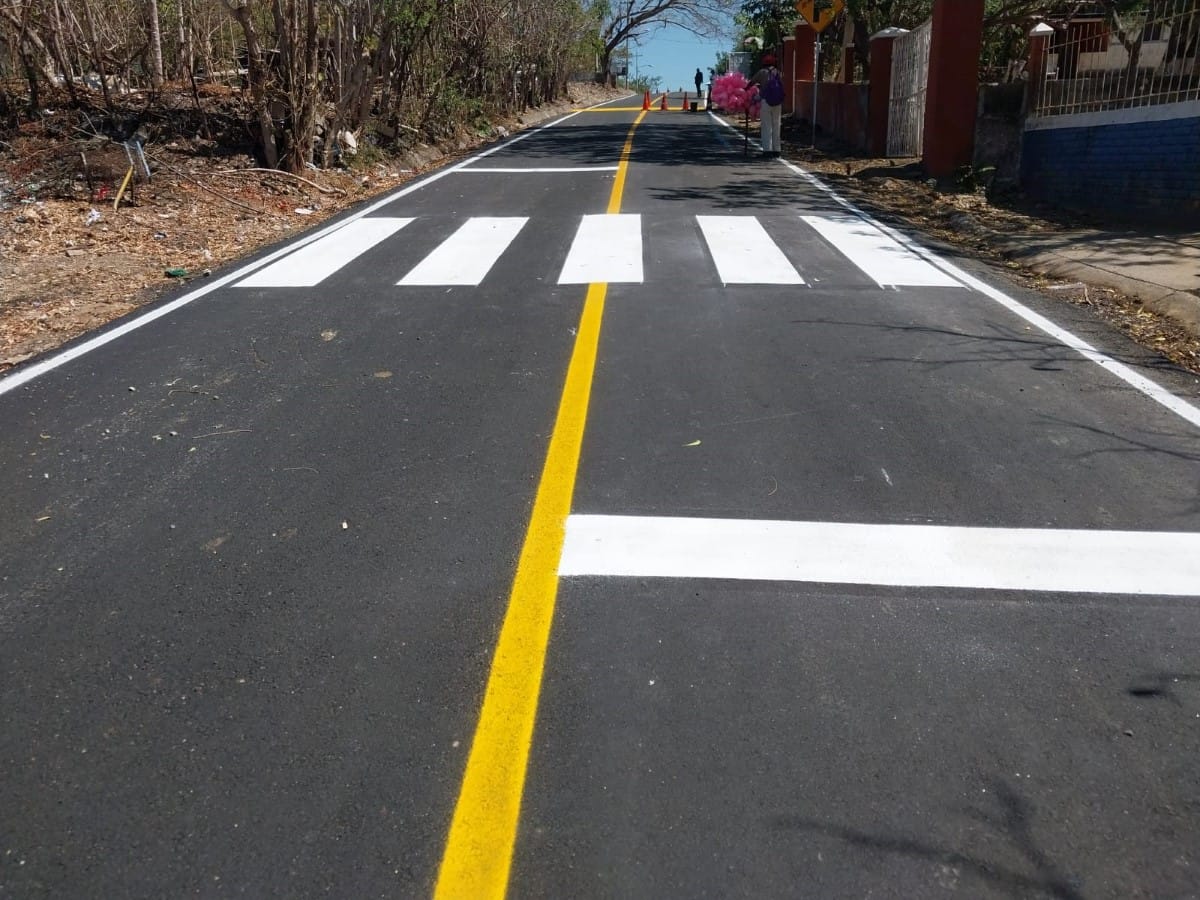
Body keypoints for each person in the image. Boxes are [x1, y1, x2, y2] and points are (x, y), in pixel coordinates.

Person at [752, 54, 784, 158]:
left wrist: (745, 89)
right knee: (776, 126)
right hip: (778, 102)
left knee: (766, 127)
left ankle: (767, 151)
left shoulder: (762, 72)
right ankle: (777, 150)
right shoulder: (778, 72)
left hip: (766, 101)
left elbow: (752, 82)